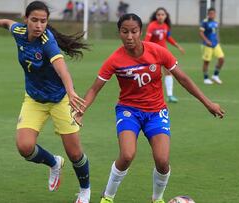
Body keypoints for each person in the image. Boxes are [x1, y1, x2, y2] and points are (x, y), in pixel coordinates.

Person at [73, 13, 225, 203]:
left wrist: (208, 103)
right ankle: (108, 197)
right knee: (127, 155)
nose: (129, 36)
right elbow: (95, 88)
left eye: (134, 31)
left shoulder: (157, 52)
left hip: (156, 112)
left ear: (140, 32)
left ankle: (157, 198)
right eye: (124, 31)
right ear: (119, 33)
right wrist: (81, 111)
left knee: (162, 161)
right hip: (129, 111)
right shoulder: (114, 60)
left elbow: (183, 78)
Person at [0, 1, 90, 202]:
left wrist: (70, 92)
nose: (38, 25)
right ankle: (54, 163)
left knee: (75, 153)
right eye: (34, 20)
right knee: (25, 147)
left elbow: (62, 69)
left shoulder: (47, 41)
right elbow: (7, 23)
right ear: (26, 19)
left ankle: (85, 190)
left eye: (43, 21)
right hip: (34, 99)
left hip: (60, 100)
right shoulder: (18, 30)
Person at [145, 7, 185, 103]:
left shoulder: (165, 26)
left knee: (169, 72)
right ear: (156, 16)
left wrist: (178, 46)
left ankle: (170, 96)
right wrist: (146, 51)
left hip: (164, 53)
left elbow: (168, 38)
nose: (160, 16)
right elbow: (147, 40)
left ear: (166, 16)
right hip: (153, 53)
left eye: (162, 15)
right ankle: (148, 95)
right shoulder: (152, 26)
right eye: (158, 15)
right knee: (152, 74)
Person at [200, 7, 225, 85]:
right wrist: (207, 41)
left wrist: (218, 39)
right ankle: (206, 78)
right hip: (207, 45)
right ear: (208, 14)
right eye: (210, 14)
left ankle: (215, 75)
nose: (212, 15)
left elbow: (215, 32)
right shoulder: (205, 22)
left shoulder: (215, 22)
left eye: (213, 13)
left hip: (215, 44)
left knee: (221, 59)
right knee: (207, 62)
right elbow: (201, 33)